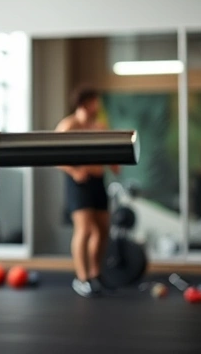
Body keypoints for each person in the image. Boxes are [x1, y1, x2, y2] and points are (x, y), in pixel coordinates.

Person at [56, 86, 120, 297]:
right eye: (95, 101)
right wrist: (74, 172)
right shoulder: (68, 125)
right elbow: (53, 154)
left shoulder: (98, 126)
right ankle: (81, 279)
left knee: (102, 231)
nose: (98, 105)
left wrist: (113, 164)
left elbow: (107, 151)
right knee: (83, 230)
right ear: (85, 103)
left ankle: (95, 274)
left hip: (97, 181)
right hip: (79, 184)